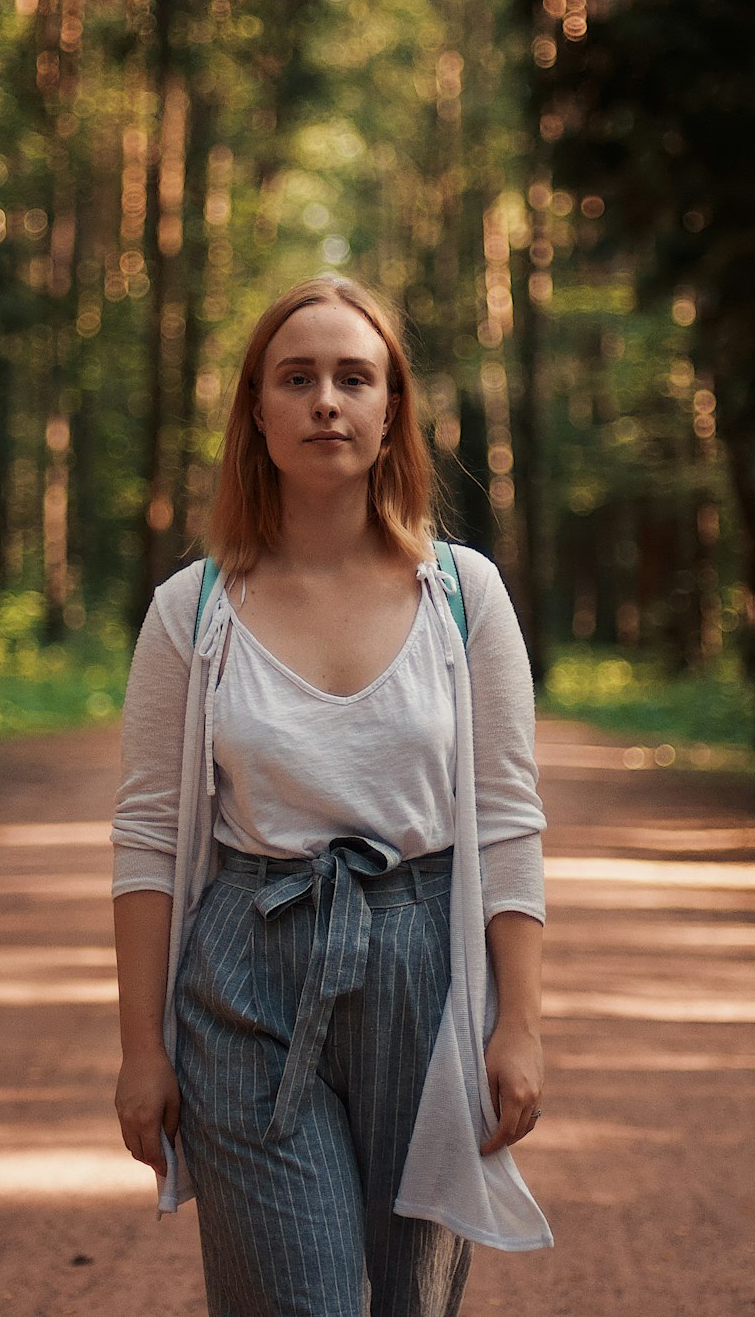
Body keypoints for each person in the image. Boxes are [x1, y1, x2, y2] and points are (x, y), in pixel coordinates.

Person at [111, 275, 552, 1317]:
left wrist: (520, 1024)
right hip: (246, 981)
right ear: (256, 414)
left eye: (354, 377)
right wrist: (140, 1049)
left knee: (413, 1302)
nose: (325, 401)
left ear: (390, 408)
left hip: (428, 975)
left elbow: (507, 813)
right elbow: (147, 835)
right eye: (296, 378)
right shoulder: (193, 610)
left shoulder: (463, 595)